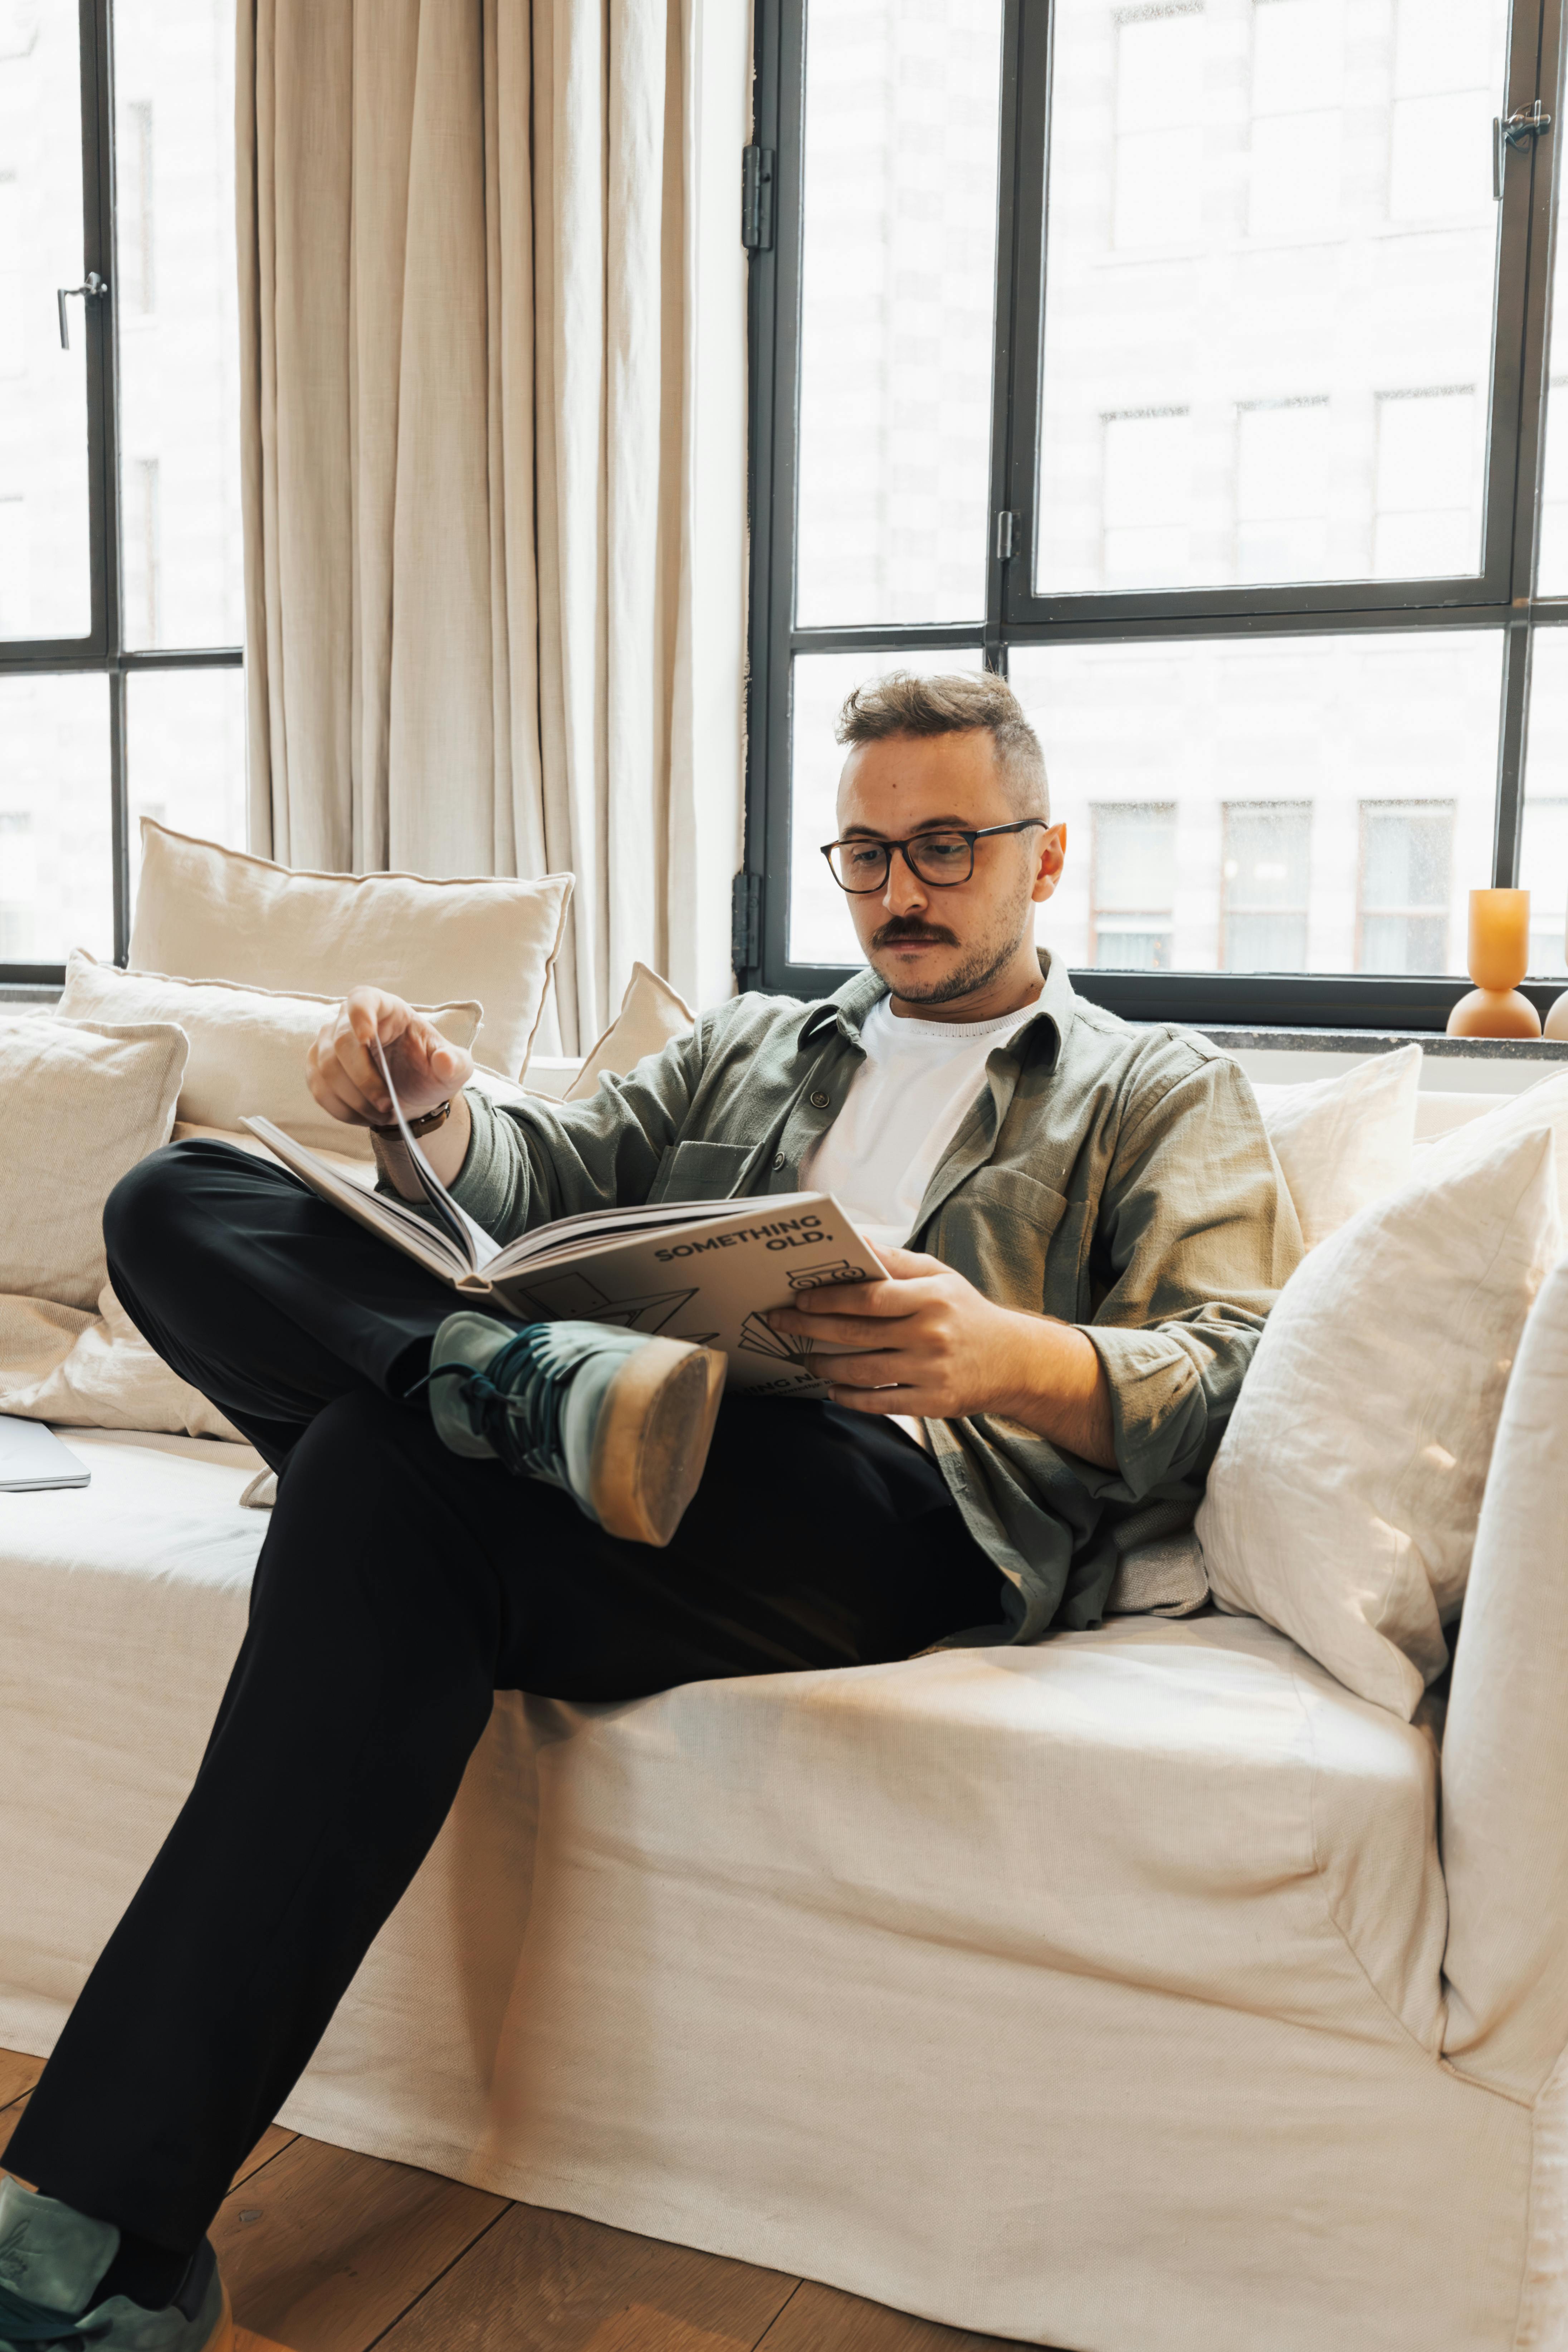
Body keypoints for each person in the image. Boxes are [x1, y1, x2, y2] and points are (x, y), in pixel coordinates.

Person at [0, 672, 1302, 2350]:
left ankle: (88, 2219)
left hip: (881, 1502)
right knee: (179, 1200)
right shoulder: (761, 1039)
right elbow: (546, 1171)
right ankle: (502, 1383)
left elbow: (1226, 1368)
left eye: (946, 847)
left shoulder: (1153, 1087)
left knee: (363, 1469)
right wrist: (431, 1108)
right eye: (866, 853)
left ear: (1041, 862)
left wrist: (1004, 1355)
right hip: (615, 1462)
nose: (900, 889)